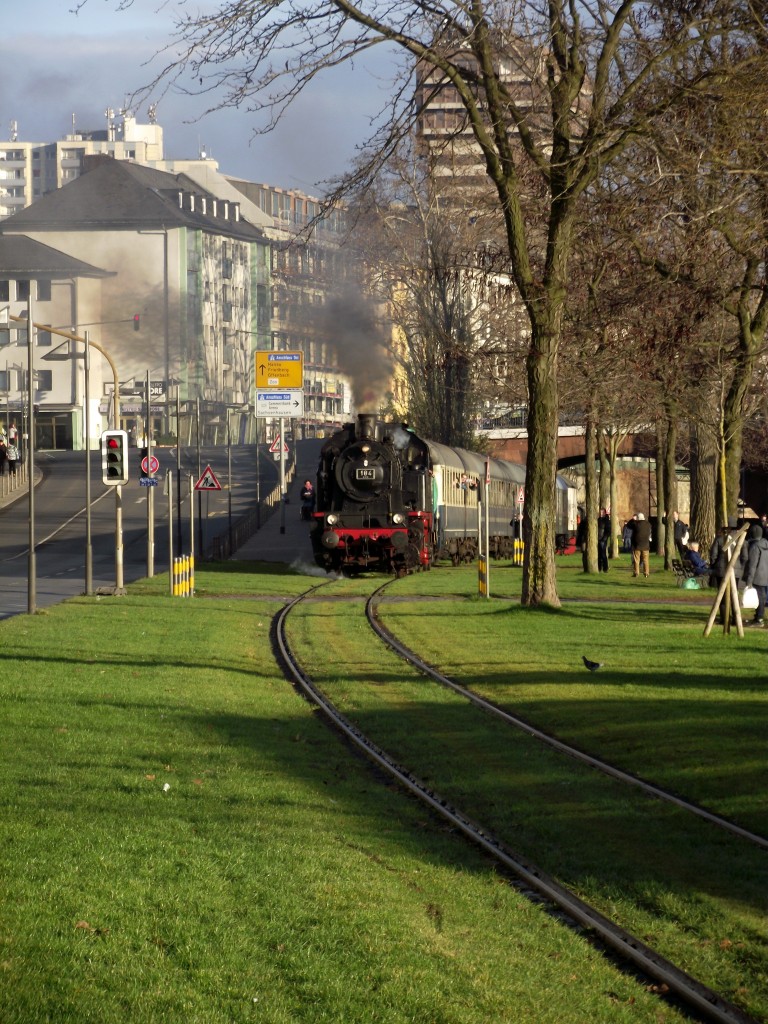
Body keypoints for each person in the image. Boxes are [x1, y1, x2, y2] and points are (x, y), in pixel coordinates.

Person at [742, 523, 768, 627]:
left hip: (757, 575)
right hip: (765, 573)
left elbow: (752, 564)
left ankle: (759, 619)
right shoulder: (765, 544)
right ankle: (758, 616)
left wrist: (749, 580)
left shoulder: (754, 547)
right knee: (762, 596)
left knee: (759, 597)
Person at [630, 512, 652, 577]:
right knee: (646, 560)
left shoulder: (636, 524)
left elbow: (629, 525)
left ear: (638, 518)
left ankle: (636, 572)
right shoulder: (648, 524)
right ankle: (646, 573)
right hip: (646, 545)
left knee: (637, 560)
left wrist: (633, 519)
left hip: (637, 545)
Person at [597, 507, 610, 573]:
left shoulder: (606, 521)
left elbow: (608, 531)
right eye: (600, 512)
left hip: (602, 539)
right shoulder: (598, 519)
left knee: (603, 554)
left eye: (602, 512)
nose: (601, 513)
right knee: (599, 554)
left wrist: (604, 539)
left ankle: (605, 568)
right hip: (598, 539)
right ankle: (599, 567)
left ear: (604, 513)